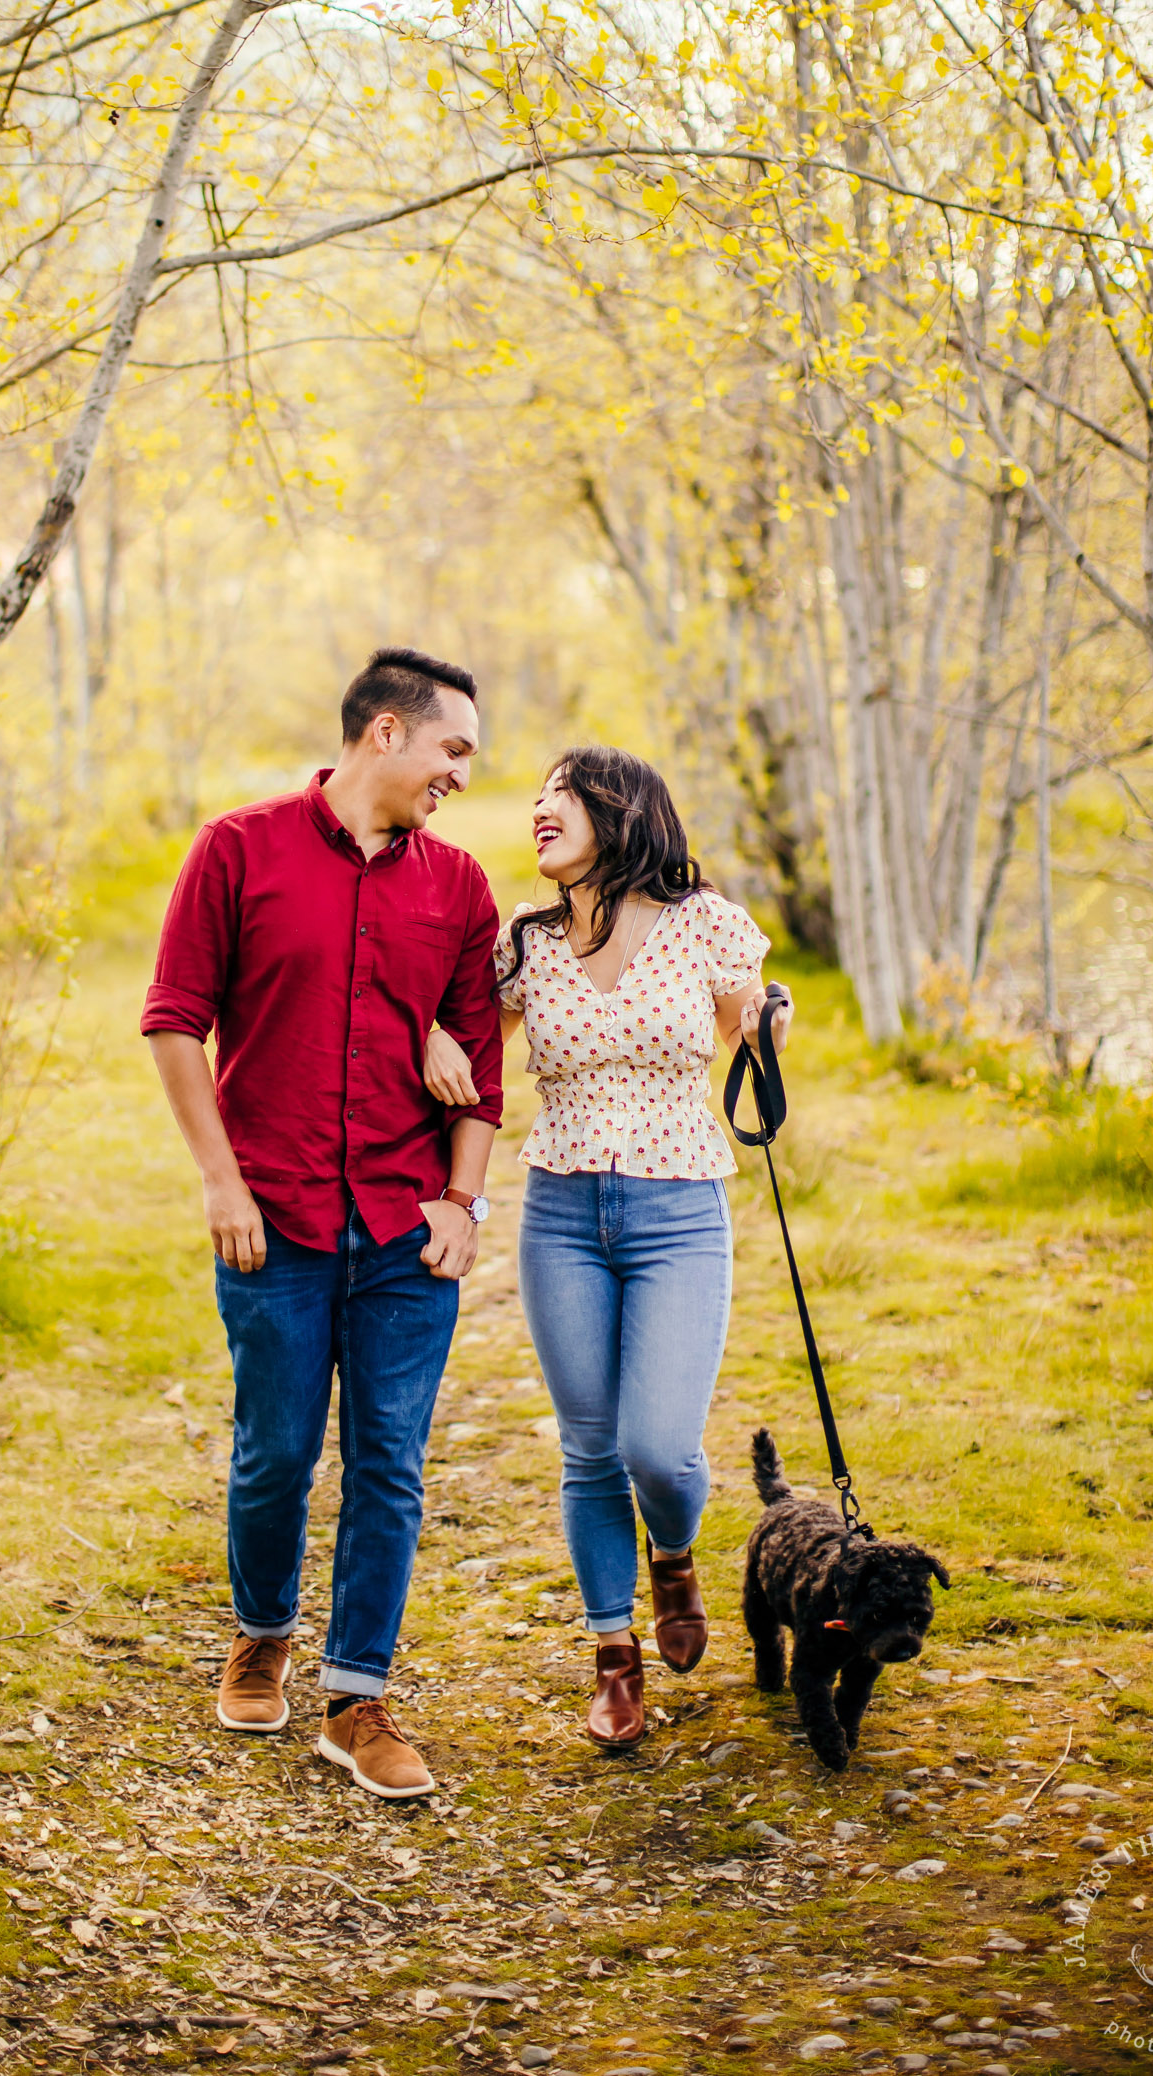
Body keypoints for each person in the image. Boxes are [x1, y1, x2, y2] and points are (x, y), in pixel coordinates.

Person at [144, 648, 503, 1800]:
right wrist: (219, 1180)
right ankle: (260, 1631)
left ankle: (357, 1700)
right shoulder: (235, 850)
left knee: (388, 1464)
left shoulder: (458, 889)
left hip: (403, 1230)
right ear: (385, 733)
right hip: (274, 1221)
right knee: (277, 1453)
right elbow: (172, 1023)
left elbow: (481, 1069)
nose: (460, 775)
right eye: (453, 749)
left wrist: (460, 1202)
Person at [423, 746, 791, 1750]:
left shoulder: (703, 921)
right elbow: (470, 1040)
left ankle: (671, 1551)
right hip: (559, 1214)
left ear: (619, 809)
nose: (538, 809)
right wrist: (429, 1036)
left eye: (559, 794)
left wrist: (764, 1025)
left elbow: (737, 1030)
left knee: (656, 1449)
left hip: (678, 1213)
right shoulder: (525, 941)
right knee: (589, 1451)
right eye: (535, 796)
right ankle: (612, 1655)